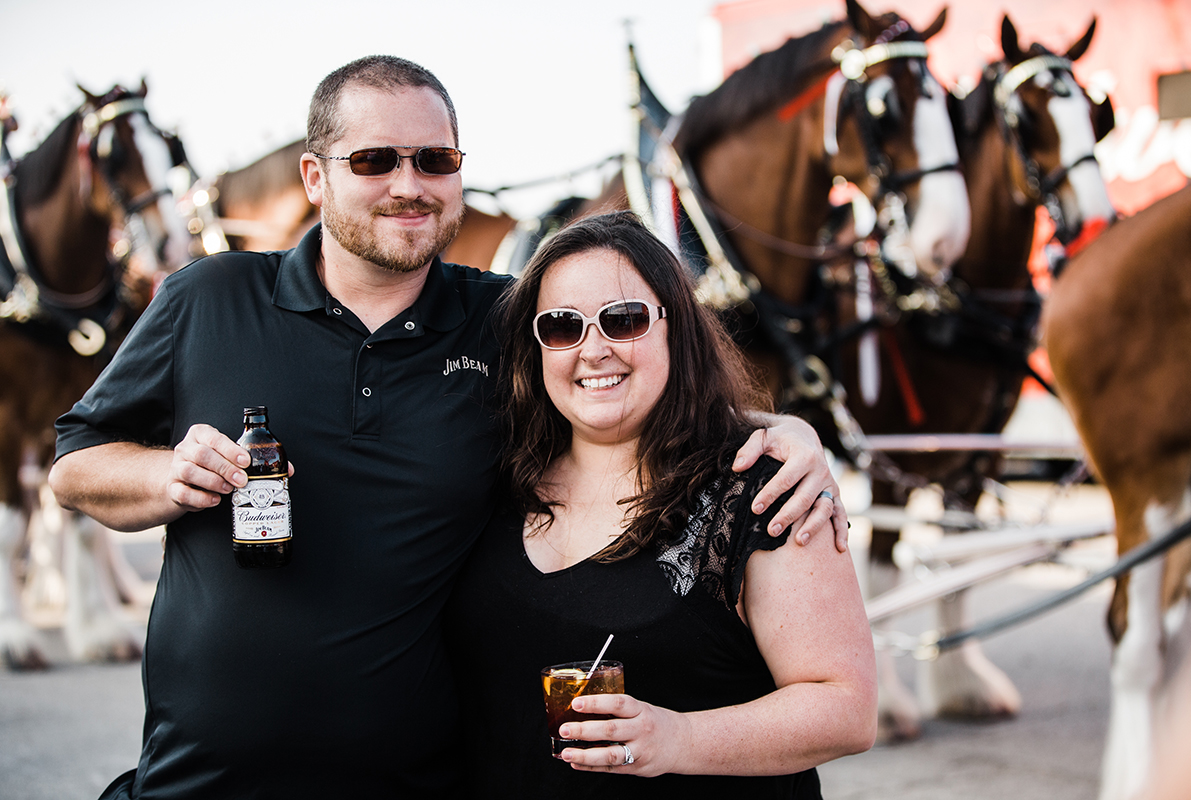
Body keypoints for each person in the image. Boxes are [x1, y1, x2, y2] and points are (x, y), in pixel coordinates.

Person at [48, 56, 848, 799]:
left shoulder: (501, 319)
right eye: (375, 161)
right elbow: (76, 463)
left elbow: (622, 372)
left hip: (422, 781)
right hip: (203, 779)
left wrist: (779, 433)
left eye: (436, 161)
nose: (410, 184)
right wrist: (164, 476)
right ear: (315, 177)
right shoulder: (208, 297)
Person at [445, 211, 876, 798]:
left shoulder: (765, 489)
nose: (593, 349)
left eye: (623, 320)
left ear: (677, 329)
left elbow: (846, 708)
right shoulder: (494, 476)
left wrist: (677, 739)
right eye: (563, 326)